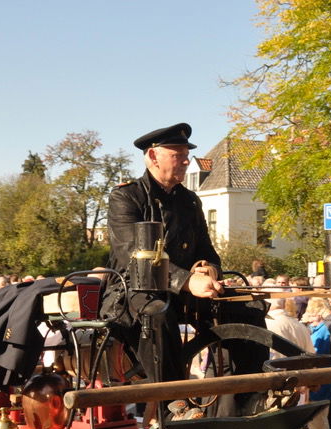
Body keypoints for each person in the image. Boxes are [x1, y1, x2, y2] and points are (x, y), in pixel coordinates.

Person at [100, 122, 266, 389]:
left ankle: (248, 393)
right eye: (178, 154)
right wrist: (188, 280)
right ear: (153, 156)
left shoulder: (190, 200)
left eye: (187, 155)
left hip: (184, 293)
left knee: (249, 307)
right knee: (157, 312)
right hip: (135, 291)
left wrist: (209, 270)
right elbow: (134, 255)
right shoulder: (126, 196)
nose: (187, 161)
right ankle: (174, 400)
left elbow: (208, 251)